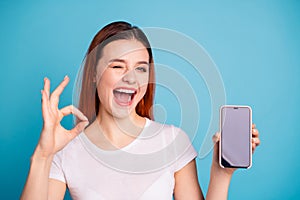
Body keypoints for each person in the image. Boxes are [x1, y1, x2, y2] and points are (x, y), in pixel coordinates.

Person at [21, 21, 260, 200]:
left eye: (141, 69)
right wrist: (43, 155)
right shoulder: (66, 151)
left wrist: (222, 174)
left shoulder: (173, 141)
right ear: (94, 74)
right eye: (117, 66)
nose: (131, 78)